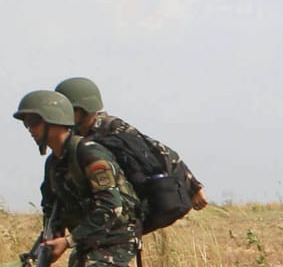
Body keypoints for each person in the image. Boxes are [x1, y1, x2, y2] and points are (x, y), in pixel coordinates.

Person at [11, 91, 149, 267]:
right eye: (26, 123)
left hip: (117, 236)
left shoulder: (89, 154)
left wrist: (69, 241)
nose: (29, 129)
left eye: (34, 121)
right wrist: (48, 242)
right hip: (90, 238)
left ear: (54, 121)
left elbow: (112, 207)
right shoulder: (54, 163)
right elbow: (51, 207)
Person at [55, 76, 209, 213]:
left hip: (129, 203)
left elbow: (156, 150)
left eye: (70, 110)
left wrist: (194, 186)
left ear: (85, 108)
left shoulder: (112, 127)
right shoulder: (71, 135)